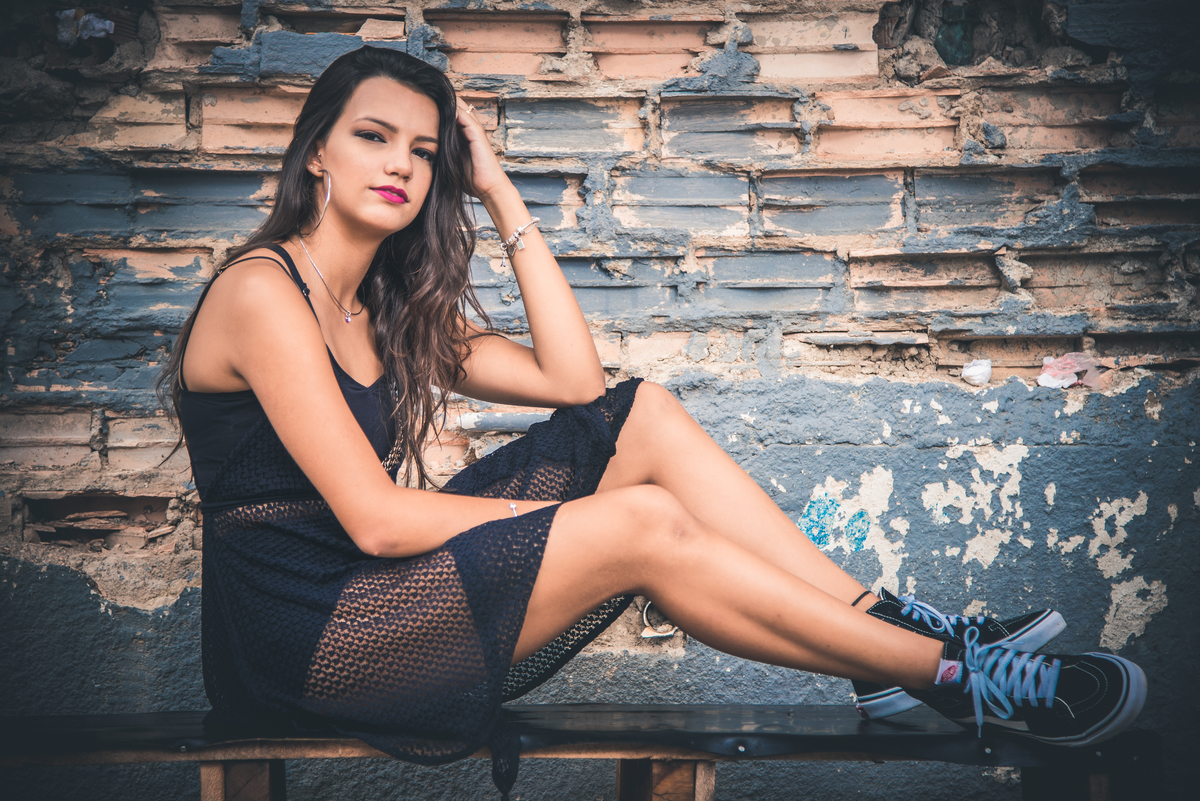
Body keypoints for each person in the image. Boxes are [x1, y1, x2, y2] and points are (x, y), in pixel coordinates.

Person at [159, 46, 1145, 797]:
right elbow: (376, 521)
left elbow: (577, 383)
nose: (403, 166)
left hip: (372, 599)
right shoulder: (263, 292)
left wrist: (498, 191)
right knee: (640, 523)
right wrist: (569, 528)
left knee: (640, 415)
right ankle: (953, 674)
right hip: (304, 643)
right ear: (317, 153)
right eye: (374, 137)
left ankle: (881, 628)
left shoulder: (385, 306)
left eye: (424, 151)